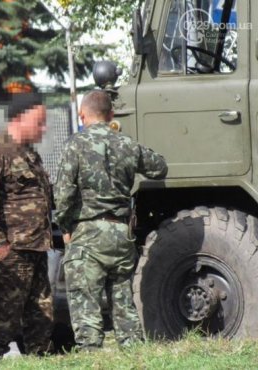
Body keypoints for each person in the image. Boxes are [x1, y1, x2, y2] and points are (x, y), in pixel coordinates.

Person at [54, 90, 168, 350]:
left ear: (82, 115)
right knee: (123, 301)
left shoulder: (75, 144)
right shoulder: (127, 143)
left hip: (87, 234)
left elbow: (64, 193)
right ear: (111, 115)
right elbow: (159, 167)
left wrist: (65, 226)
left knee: (86, 304)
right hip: (120, 233)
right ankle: (134, 354)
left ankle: (91, 356)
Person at [0, 93, 53, 358]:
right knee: (6, 311)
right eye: (39, 122)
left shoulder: (29, 154)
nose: (44, 128)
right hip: (12, 249)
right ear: (20, 119)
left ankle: (40, 358)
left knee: (42, 309)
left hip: (37, 245)